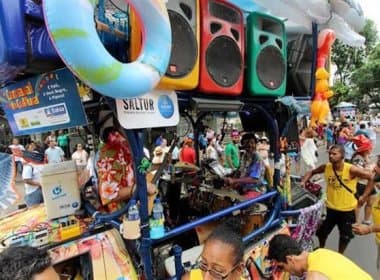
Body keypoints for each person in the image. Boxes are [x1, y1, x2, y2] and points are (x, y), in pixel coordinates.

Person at [301, 144, 374, 253]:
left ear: (342, 156)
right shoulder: (326, 167)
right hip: (330, 209)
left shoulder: (351, 169)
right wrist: (303, 181)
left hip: (347, 211)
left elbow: (371, 177)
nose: (331, 156)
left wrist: (364, 196)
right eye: (330, 153)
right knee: (322, 232)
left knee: (345, 236)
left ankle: (340, 255)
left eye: (334, 154)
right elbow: (312, 172)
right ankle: (321, 249)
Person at [267, 234, 372, 279]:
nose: (285, 271)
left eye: (282, 267)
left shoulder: (315, 276)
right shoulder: (321, 252)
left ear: (290, 259)